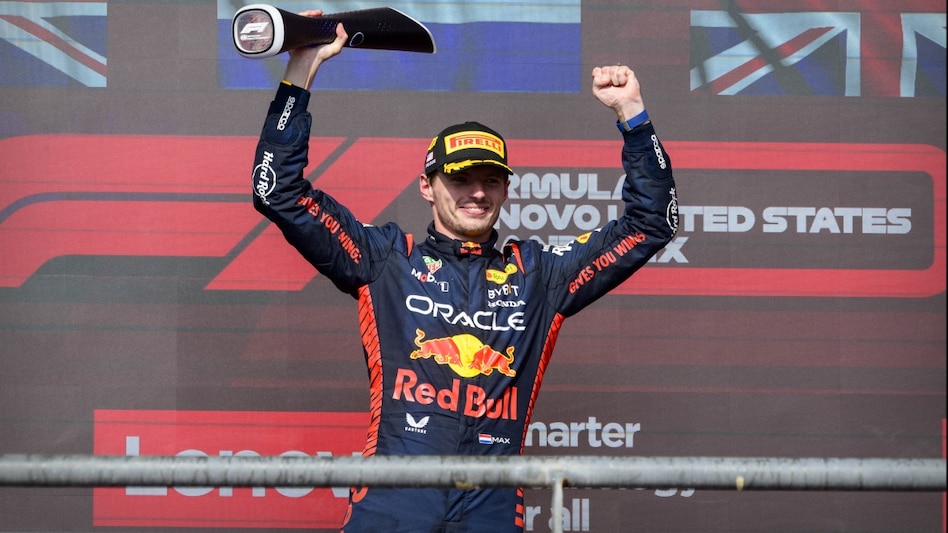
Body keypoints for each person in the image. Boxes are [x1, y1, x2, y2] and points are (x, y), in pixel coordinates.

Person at [250, 10, 679, 533]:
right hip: (395, 500)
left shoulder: (539, 275)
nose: (477, 192)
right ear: (427, 186)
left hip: (491, 506)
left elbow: (651, 223)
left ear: (505, 189)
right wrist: (299, 76)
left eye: (491, 181)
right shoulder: (386, 259)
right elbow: (278, 191)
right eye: (460, 178)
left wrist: (633, 116)